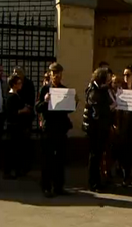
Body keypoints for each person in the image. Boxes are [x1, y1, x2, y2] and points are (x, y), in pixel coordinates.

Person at [36, 63, 77, 197]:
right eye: (54, 73)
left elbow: (68, 109)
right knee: (47, 159)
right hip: (49, 129)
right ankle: (46, 187)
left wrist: (74, 102)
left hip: (61, 128)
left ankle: (59, 186)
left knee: (60, 159)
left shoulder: (64, 89)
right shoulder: (45, 89)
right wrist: (46, 101)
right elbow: (38, 108)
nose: (57, 76)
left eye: (59, 73)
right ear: (50, 74)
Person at [83, 68, 114, 192]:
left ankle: (98, 180)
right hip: (94, 129)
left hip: (101, 128)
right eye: (107, 77)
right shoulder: (93, 91)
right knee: (94, 156)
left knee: (99, 155)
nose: (109, 79)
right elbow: (97, 112)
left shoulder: (102, 89)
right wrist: (110, 107)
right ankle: (93, 183)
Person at [4, 74, 32, 179]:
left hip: (18, 127)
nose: (21, 84)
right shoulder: (11, 97)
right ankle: (9, 172)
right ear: (14, 85)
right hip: (13, 128)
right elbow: (11, 113)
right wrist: (23, 110)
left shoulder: (17, 95)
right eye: (19, 83)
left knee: (17, 150)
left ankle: (17, 171)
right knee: (12, 151)